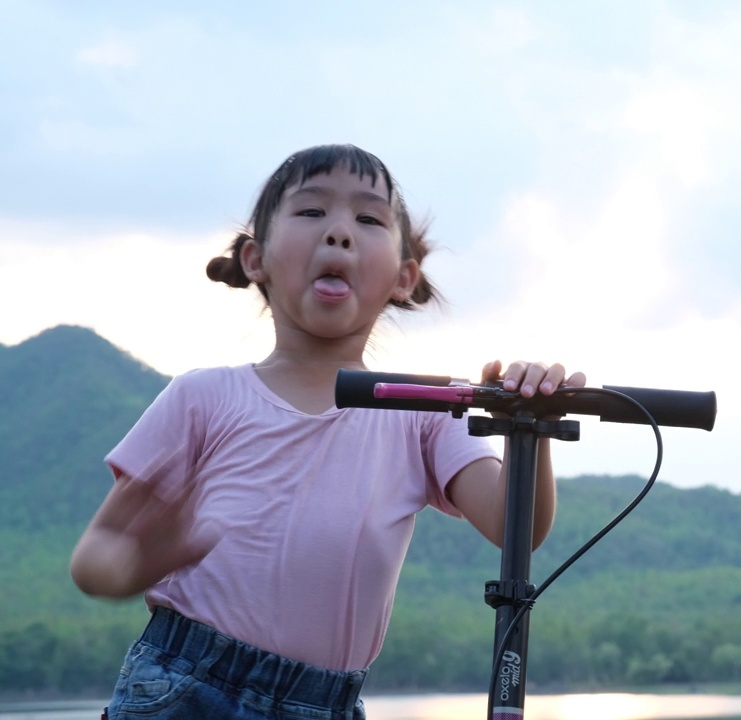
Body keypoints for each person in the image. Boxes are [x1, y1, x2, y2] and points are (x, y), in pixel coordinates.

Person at [68, 144, 584, 719]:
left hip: (325, 704)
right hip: (185, 686)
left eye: (367, 219)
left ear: (404, 277)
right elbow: (94, 557)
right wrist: (141, 559)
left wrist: (528, 428)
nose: (339, 233)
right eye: (312, 212)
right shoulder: (203, 397)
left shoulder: (423, 410)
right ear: (256, 259)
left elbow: (517, 526)